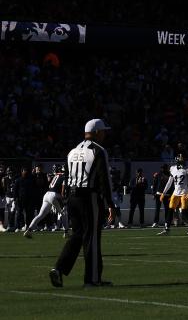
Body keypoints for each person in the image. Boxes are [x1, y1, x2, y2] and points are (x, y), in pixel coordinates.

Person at [50, 119, 115, 288]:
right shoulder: (99, 151)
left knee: (78, 235)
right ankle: (92, 279)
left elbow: (67, 176)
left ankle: (59, 268)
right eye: (103, 132)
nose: (105, 135)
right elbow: (104, 180)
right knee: (92, 237)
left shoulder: (73, 150)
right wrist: (110, 204)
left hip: (73, 197)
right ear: (97, 132)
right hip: (89, 197)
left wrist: (65, 200)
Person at [159, 154, 188, 235]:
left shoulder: (186, 170)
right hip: (176, 193)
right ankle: (167, 229)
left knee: (184, 211)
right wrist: (164, 192)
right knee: (170, 210)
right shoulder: (173, 169)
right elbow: (170, 182)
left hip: (184, 193)